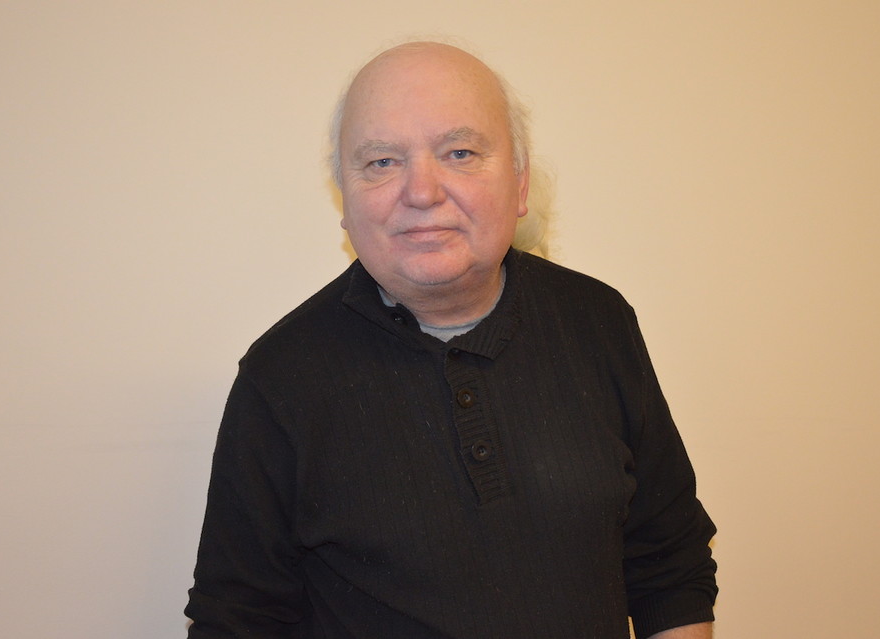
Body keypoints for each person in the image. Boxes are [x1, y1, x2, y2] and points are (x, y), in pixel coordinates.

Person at [185, 41, 717, 639]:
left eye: (459, 153)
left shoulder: (599, 322)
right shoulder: (281, 378)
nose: (422, 191)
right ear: (345, 201)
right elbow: (238, 620)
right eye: (382, 161)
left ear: (519, 184)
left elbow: (670, 567)